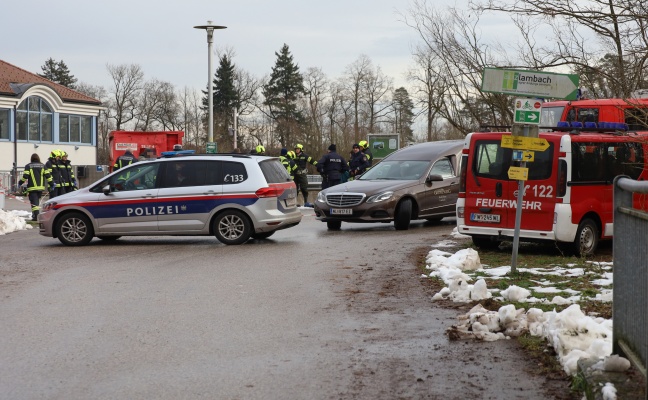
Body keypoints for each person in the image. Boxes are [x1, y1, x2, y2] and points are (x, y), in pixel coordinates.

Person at [19, 153, 52, 221]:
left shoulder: (28, 166)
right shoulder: (43, 166)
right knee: (36, 202)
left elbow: (25, 176)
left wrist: (20, 182)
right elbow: (48, 176)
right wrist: (52, 184)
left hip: (32, 187)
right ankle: (35, 215)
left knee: (34, 203)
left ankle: (36, 216)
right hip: (40, 188)